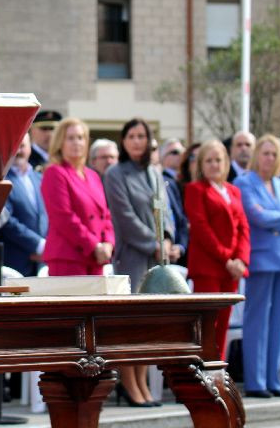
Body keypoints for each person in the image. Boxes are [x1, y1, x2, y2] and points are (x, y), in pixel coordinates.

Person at [104, 117, 174, 407]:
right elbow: (124, 218)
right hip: (132, 256)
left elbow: (166, 210)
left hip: (157, 258)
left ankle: (143, 383)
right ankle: (130, 385)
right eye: (131, 136)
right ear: (123, 141)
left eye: (141, 136)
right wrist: (153, 243)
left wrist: (167, 238)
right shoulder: (115, 174)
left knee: (149, 324)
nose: (136, 141)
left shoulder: (155, 173)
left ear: (149, 141)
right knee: (132, 324)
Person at [234, 134, 280, 398]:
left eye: (275, 154)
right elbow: (257, 216)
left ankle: (274, 379)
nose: (270, 158)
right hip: (262, 258)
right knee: (257, 320)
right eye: (265, 153)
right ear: (256, 155)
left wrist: (279, 219)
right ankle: (256, 381)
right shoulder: (245, 182)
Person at [41, 118, 114, 275]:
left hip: (96, 258)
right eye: (71, 138)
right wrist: (94, 245)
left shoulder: (93, 175)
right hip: (68, 257)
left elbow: (105, 214)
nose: (77, 143)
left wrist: (108, 243)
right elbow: (63, 217)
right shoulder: (54, 173)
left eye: (80, 138)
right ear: (60, 142)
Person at [0, 133, 47, 276]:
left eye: (22, 146)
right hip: (13, 262)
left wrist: (47, 247)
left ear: (30, 148)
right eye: (14, 147)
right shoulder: (0, 178)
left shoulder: (40, 178)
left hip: (43, 261)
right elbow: (6, 220)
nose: (18, 151)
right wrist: (37, 245)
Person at [160, 139, 188, 265]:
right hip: (167, 251)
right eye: (175, 152)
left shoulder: (185, 180)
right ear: (162, 158)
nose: (180, 156)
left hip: (183, 253)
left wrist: (181, 246)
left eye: (183, 152)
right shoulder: (162, 181)